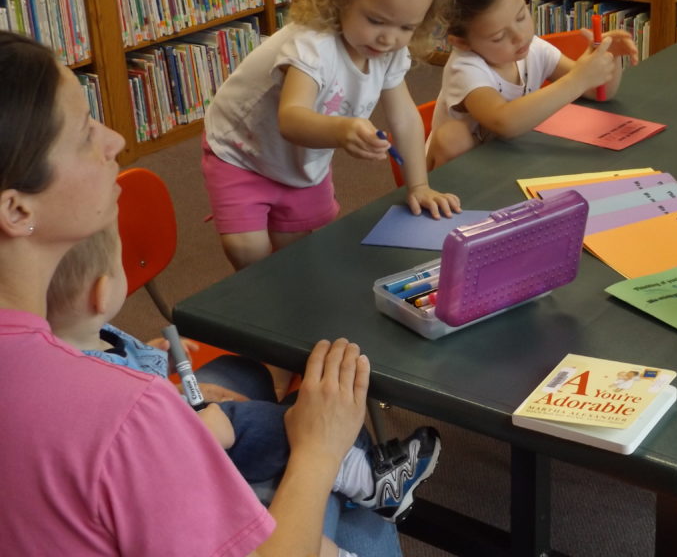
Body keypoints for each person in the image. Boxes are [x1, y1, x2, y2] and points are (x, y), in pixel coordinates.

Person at [0, 32, 391, 556]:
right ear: (17, 210)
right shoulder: (123, 414)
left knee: (245, 378)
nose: (113, 139)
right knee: (367, 526)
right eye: (83, 132)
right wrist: (318, 451)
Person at [45, 222, 441, 525]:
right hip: (166, 460)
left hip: (164, 423)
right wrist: (194, 417)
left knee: (249, 377)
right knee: (278, 419)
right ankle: (367, 478)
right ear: (101, 292)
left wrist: (161, 365)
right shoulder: (95, 384)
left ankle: (343, 456)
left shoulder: (84, 338)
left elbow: (125, 376)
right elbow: (133, 437)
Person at [202, 0, 461, 271]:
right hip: (243, 152)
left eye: (406, 27)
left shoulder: (387, 49)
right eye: (375, 20)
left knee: (301, 254)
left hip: (301, 163)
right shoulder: (313, 44)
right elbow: (291, 118)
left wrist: (418, 185)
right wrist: (341, 130)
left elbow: (404, 118)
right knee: (250, 254)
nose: (388, 38)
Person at [426, 0, 639, 168]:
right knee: (453, 137)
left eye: (521, 16)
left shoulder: (534, 50)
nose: (520, 36)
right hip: (459, 173)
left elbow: (598, 92)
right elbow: (504, 121)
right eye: (499, 36)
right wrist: (578, 79)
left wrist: (609, 57)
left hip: (505, 160)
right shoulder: (465, 68)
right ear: (462, 43)